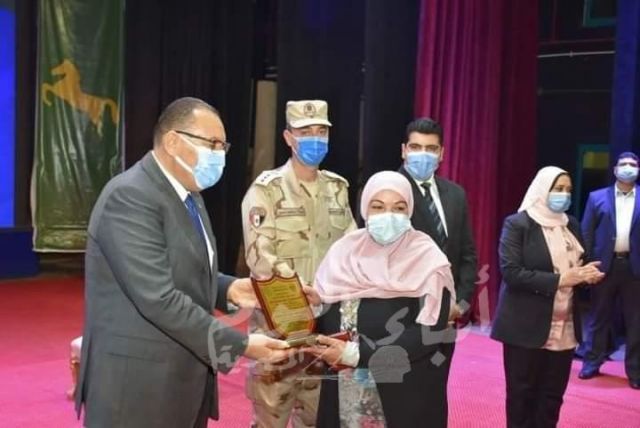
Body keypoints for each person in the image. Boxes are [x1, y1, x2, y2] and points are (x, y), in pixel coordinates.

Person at [76, 97, 294, 428]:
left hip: (180, 380)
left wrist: (229, 289)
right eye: (212, 144)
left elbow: (184, 267)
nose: (220, 155)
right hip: (137, 389)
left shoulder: (188, 195)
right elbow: (158, 298)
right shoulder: (131, 196)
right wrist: (241, 345)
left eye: (223, 146)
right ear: (173, 142)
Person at [304, 170, 455, 428]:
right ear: (365, 209)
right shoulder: (343, 251)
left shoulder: (428, 260)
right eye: (378, 206)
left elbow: (427, 334)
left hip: (404, 393)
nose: (388, 215)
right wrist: (313, 306)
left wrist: (357, 354)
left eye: (398, 208)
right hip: (343, 389)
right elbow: (327, 317)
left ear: (409, 211)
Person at [241, 99, 357, 428]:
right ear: (288, 137)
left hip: (325, 329)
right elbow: (259, 256)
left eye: (321, 131)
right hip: (279, 328)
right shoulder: (266, 190)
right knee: (271, 417)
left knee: (316, 417)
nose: (314, 139)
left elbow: (351, 249)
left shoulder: (337, 188)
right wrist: (299, 292)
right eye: (305, 132)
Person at [491, 166, 604, 428]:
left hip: (565, 327)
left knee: (552, 397)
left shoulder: (570, 224)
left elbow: (578, 264)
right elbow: (512, 273)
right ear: (543, 189)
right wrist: (562, 279)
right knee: (522, 395)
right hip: (526, 325)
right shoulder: (518, 224)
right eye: (558, 189)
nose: (564, 195)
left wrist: (586, 274)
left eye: (568, 190)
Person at [397, 117, 477, 420]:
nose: (423, 154)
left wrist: (462, 303)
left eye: (431, 148)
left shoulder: (455, 194)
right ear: (404, 150)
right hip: (403, 317)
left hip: (447, 317)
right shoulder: (389, 191)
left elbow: (467, 254)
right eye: (415, 147)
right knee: (402, 401)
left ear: (442, 153)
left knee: (434, 395)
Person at [579, 152, 640, 389]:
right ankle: (591, 363)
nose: (628, 168)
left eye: (633, 164)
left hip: (635, 268)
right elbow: (587, 232)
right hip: (604, 265)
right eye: (623, 164)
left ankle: (635, 371)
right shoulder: (596, 197)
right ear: (615, 170)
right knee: (598, 317)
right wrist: (588, 263)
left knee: (636, 322)